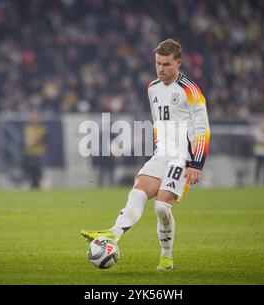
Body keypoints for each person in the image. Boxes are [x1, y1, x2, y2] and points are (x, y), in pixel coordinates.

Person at [81, 39, 211, 270]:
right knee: (138, 192)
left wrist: (196, 164)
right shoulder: (152, 88)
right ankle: (113, 233)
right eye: (158, 63)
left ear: (178, 63)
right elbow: (158, 123)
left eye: (167, 64)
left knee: (161, 208)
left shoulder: (190, 91)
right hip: (161, 155)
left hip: (182, 157)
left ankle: (166, 257)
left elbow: (202, 129)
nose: (161, 69)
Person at [23, 111, 47, 189]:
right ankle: (31, 185)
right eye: (33, 117)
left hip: (39, 152)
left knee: (39, 171)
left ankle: (39, 185)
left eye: (36, 117)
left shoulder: (42, 129)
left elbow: (45, 140)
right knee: (30, 171)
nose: (34, 119)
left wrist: (35, 142)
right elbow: (23, 140)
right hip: (29, 152)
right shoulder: (27, 128)